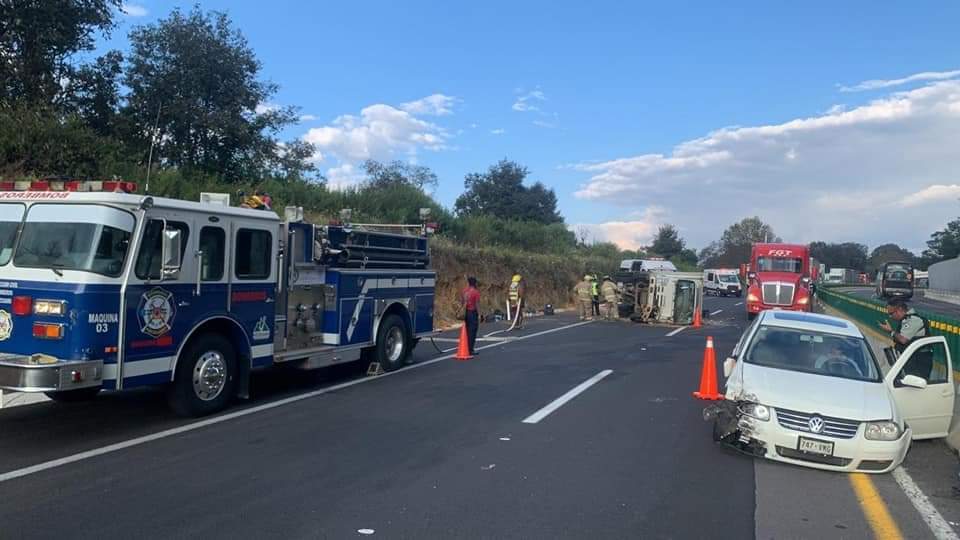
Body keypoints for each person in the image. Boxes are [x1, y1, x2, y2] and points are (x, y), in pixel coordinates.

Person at [879, 298, 930, 377]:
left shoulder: (914, 320)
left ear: (899, 310)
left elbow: (903, 340)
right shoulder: (905, 320)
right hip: (910, 360)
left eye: (891, 313)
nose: (890, 316)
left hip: (918, 362)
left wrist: (891, 331)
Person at [462, 277, 481, 356]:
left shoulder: (465, 291)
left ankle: (466, 347)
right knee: (472, 332)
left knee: (467, 330)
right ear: (475, 283)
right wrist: (480, 314)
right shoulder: (476, 292)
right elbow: (477, 304)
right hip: (472, 313)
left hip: (466, 312)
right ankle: (470, 349)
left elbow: (462, 301)